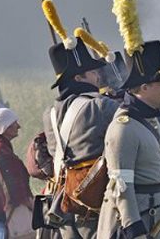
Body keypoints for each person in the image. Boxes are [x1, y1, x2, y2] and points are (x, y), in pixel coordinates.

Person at [97, 40, 160, 239]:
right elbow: (121, 186)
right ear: (144, 87)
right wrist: (135, 231)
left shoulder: (150, 120)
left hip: (154, 217)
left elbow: (146, 165)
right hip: (135, 222)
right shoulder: (123, 127)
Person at [42, 35, 120, 238]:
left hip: (64, 205)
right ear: (78, 78)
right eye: (93, 71)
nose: (98, 76)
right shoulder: (100, 106)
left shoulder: (49, 114)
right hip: (96, 205)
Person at [0, 108, 33, 239]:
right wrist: (28, 204)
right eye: (14, 122)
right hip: (4, 218)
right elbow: (12, 187)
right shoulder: (0, 150)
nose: (19, 126)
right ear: (5, 126)